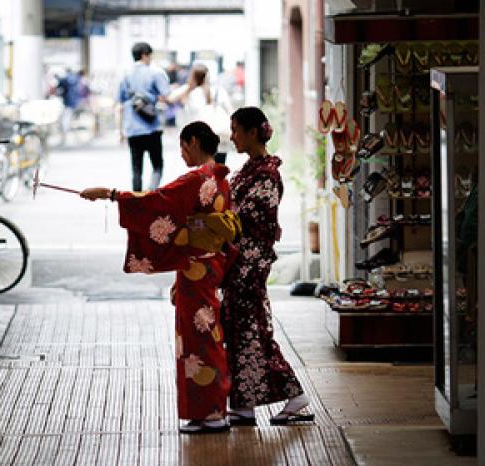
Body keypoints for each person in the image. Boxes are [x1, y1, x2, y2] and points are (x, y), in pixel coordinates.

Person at [79, 122, 240, 434]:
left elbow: (157, 202)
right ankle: (215, 409)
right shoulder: (218, 178)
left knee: (198, 339)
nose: (181, 154)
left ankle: (210, 414)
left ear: (193, 142)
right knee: (208, 334)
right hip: (210, 265)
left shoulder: (197, 177)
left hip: (197, 265)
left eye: (182, 146)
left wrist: (110, 194)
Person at [222, 107, 314, 426]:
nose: (232, 136)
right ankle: (245, 404)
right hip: (238, 263)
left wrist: (216, 223)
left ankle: (293, 395)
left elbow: (245, 220)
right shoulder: (252, 169)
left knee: (250, 329)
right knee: (242, 329)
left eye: (235, 129)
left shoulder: (266, 174)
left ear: (251, 132)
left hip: (249, 264)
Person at [118, 42, 170, 191]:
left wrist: (120, 130)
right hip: (152, 127)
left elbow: (119, 105)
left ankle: (136, 202)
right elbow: (167, 95)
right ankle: (150, 193)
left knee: (136, 169)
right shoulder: (155, 72)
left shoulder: (125, 75)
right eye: (150, 56)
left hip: (132, 130)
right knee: (157, 166)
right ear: (145, 55)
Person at [168, 64, 233, 164]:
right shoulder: (218, 90)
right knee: (219, 168)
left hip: (200, 138)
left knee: (203, 171)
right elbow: (230, 110)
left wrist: (188, 86)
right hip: (219, 134)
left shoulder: (191, 92)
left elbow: (171, 98)